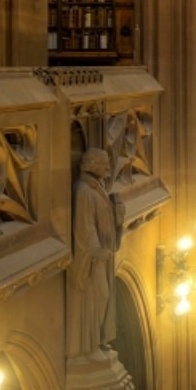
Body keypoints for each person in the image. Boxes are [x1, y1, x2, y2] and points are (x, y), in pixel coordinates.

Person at [67, 148, 119, 362]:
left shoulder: (97, 187)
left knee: (103, 295)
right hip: (91, 257)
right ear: (91, 165)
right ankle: (88, 347)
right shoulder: (83, 191)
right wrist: (96, 251)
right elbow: (84, 225)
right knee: (97, 295)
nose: (108, 167)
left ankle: (97, 340)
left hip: (102, 254)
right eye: (103, 163)